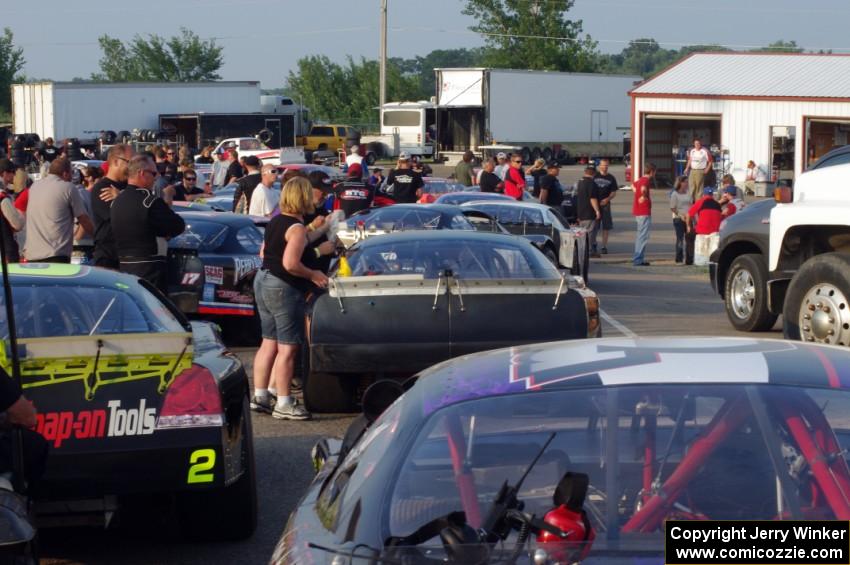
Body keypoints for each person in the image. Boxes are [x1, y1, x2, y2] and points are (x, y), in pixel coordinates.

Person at [251, 177, 332, 420]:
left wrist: (320, 229)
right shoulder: (296, 228)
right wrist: (314, 273)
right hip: (282, 287)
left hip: (263, 279)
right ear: (304, 197)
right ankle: (284, 402)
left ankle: (261, 395)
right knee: (288, 347)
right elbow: (290, 263)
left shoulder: (277, 221)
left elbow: (266, 251)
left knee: (268, 341)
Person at [111, 155, 186, 291]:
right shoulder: (149, 201)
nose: (156, 177)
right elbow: (178, 225)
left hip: (124, 266)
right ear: (141, 173)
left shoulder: (118, 200)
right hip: (150, 269)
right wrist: (167, 197)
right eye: (153, 173)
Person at [24, 158, 94, 263]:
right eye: (71, 173)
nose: (71, 177)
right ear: (65, 173)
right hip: (55, 254)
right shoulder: (68, 188)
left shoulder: (34, 187)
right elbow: (83, 218)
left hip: (32, 254)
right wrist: (98, 238)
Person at [91, 144, 133, 269]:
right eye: (129, 163)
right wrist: (123, 199)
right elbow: (120, 218)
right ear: (115, 162)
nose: (132, 168)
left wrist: (120, 197)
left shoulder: (130, 187)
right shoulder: (102, 188)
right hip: (108, 256)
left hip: (129, 256)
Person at [632, 163, 656, 267]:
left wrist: (637, 194)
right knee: (643, 236)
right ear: (652, 172)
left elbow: (633, 185)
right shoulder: (646, 181)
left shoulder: (641, 179)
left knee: (640, 235)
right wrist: (643, 195)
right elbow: (643, 189)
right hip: (643, 211)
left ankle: (639, 258)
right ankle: (638, 259)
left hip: (638, 211)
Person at [0, 159, 24, 261]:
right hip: (6, 251)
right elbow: (18, 224)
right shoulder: (3, 197)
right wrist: (22, 213)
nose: (14, 175)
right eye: (13, 172)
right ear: (4, 173)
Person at [593, 159, 618, 254]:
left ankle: (604, 246)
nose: (605, 167)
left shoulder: (611, 178)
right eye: (603, 165)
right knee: (594, 226)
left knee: (606, 226)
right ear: (599, 166)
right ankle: (593, 245)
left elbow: (613, 192)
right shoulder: (594, 176)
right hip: (595, 204)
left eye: (607, 165)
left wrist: (607, 199)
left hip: (606, 205)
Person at [575, 166, 601, 257]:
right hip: (589, 212)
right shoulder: (591, 183)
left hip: (581, 211)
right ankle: (588, 251)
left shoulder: (580, 182)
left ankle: (583, 249)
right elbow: (592, 198)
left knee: (582, 233)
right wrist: (597, 211)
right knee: (589, 232)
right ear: (593, 173)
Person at [669, 176, 692, 264]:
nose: (686, 184)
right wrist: (680, 215)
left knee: (689, 238)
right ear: (680, 183)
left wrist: (691, 216)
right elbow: (672, 208)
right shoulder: (675, 194)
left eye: (687, 182)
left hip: (688, 217)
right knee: (680, 238)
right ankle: (679, 258)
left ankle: (689, 259)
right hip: (678, 218)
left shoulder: (688, 193)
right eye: (685, 182)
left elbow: (691, 204)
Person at [684, 138, 713, 203]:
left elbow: (710, 161)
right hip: (692, 170)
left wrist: (707, 170)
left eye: (698, 143)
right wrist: (687, 168)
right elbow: (690, 160)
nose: (697, 145)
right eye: (696, 143)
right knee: (691, 185)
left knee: (699, 187)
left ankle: (698, 201)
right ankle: (691, 200)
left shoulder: (705, 151)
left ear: (700, 144)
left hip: (700, 171)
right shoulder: (692, 151)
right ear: (694, 144)